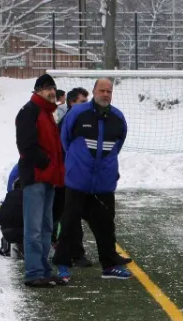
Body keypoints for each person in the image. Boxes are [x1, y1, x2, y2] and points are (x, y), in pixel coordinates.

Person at [53, 78, 132, 284]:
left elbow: (119, 143)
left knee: (106, 225)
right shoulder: (78, 114)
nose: (105, 94)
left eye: (109, 91)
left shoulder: (118, 118)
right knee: (69, 224)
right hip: (77, 181)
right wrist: (77, 163)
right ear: (94, 91)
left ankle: (109, 265)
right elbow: (65, 140)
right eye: (102, 90)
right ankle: (62, 265)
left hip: (104, 183)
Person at [16, 74, 65, 288]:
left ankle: (43, 270)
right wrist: (46, 162)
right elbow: (26, 145)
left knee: (46, 228)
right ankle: (34, 272)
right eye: (46, 88)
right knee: (34, 229)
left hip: (48, 178)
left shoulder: (48, 113)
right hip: (36, 177)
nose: (51, 91)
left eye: (53, 88)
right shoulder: (30, 112)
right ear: (37, 91)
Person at [52, 87, 91, 268]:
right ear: (72, 102)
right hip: (66, 176)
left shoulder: (79, 120)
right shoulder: (69, 121)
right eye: (82, 102)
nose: (86, 106)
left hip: (71, 175)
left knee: (66, 214)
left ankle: (68, 251)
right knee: (69, 214)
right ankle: (74, 253)